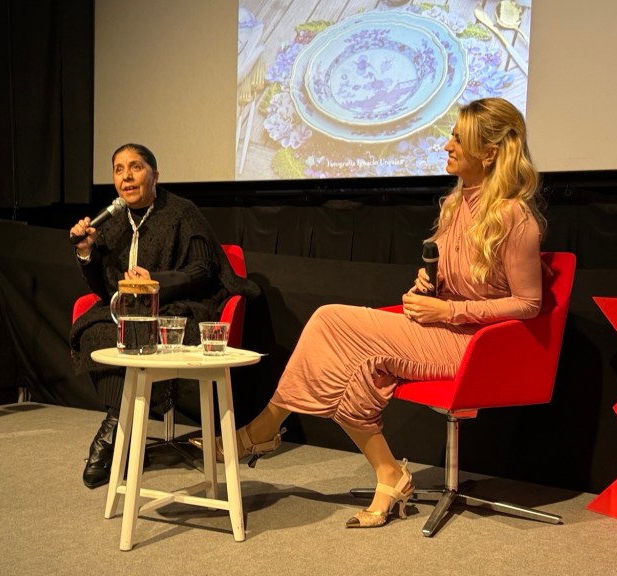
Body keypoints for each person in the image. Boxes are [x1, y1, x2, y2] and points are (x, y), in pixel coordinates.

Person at [195, 97, 546, 528]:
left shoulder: (515, 218)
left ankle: (261, 431)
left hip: (475, 346)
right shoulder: (456, 205)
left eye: (458, 138)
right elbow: (461, 277)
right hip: (440, 328)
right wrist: (428, 286)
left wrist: (449, 308)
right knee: (355, 366)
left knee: (330, 320)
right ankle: (389, 474)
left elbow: (528, 303)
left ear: (488, 153)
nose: (447, 145)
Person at [69, 143, 257, 489]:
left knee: (140, 333)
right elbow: (104, 287)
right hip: (129, 309)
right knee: (95, 331)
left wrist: (157, 282)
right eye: (119, 169)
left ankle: (113, 435)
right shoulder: (111, 221)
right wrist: (86, 253)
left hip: (180, 306)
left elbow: (203, 269)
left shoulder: (181, 212)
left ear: (154, 175)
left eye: (136, 167)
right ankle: (124, 427)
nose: (127, 176)